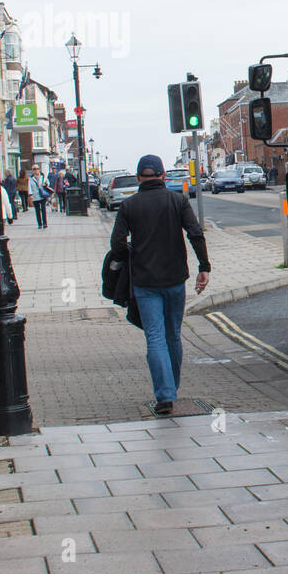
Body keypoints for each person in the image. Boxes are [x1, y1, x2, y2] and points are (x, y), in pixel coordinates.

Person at [110, 154, 211, 414]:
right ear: (163, 176)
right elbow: (195, 233)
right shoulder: (177, 201)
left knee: (154, 337)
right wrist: (204, 267)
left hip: (144, 282)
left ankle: (164, 395)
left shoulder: (129, 206)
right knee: (172, 336)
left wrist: (130, 254)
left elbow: (118, 246)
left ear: (138, 178)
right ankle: (171, 389)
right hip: (175, 278)